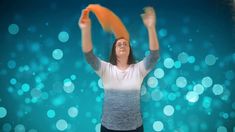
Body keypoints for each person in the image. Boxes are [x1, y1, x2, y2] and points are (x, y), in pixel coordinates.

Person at [78, 5, 160, 132]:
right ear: (114, 51)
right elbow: (89, 56)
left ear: (129, 50)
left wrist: (151, 27)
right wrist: (85, 29)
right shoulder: (106, 69)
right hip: (108, 128)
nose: (122, 45)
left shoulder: (138, 69)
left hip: (135, 128)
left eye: (125, 44)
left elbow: (154, 55)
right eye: (118, 44)